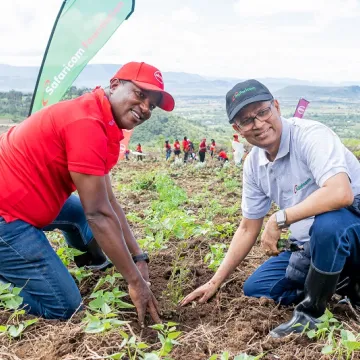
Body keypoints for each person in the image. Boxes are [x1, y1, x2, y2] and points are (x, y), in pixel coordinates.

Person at [181, 79, 360, 338]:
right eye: (247, 120)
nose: (259, 123)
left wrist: (280, 217)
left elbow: (340, 193)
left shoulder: (310, 135)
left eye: (263, 112)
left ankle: (311, 315)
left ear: (276, 106)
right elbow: (247, 228)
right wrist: (214, 282)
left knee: (329, 224)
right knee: (258, 286)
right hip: (311, 245)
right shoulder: (254, 164)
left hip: (352, 225)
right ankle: (343, 282)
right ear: (238, 128)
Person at [0, 61, 175, 324]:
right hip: (7, 216)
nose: (145, 108)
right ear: (115, 85)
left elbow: (108, 203)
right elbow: (99, 215)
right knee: (64, 308)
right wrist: (135, 282)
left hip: (25, 195)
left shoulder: (103, 122)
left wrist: (138, 257)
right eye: (140, 95)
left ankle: (93, 271)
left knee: (79, 215)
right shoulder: (86, 122)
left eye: (152, 105)